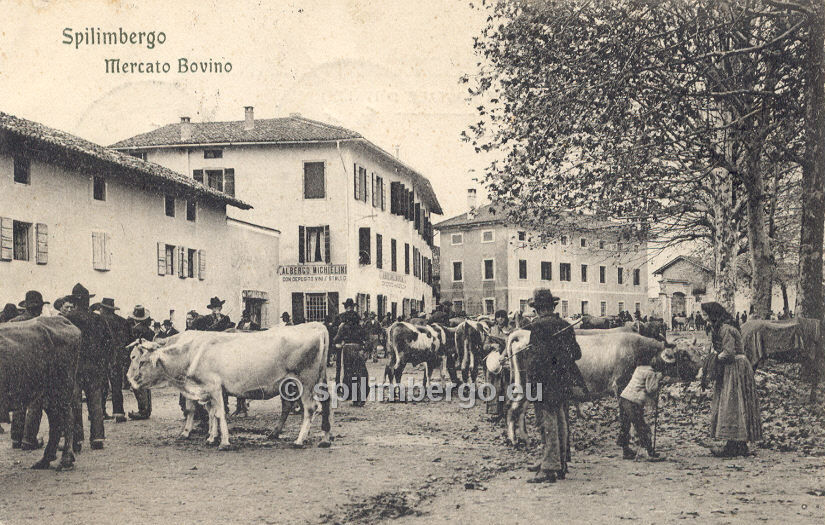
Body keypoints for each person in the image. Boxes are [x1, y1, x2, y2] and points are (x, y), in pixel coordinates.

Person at [521, 288, 584, 484]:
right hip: (563, 380)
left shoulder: (537, 327)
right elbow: (576, 354)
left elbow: (535, 360)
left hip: (544, 382)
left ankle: (549, 467)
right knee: (561, 419)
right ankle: (561, 462)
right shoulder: (564, 325)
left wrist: (531, 384)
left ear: (538, 309)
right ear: (553, 306)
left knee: (546, 422)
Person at [701, 301, 762, 458]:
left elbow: (728, 353)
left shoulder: (726, 329)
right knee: (734, 404)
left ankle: (735, 444)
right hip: (733, 367)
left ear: (713, 315)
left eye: (706, 314)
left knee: (732, 404)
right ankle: (735, 444)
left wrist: (711, 360)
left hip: (735, 367)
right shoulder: (723, 327)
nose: (704, 317)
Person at [64, 283, 111, 451]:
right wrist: (103, 362)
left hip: (74, 367)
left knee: (74, 403)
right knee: (95, 402)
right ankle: (97, 437)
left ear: (74, 301)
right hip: (95, 367)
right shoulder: (98, 318)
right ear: (87, 301)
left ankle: (76, 439)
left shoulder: (68, 319)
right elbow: (108, 343)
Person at [9, 291, 49, 450]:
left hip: (16, 369)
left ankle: (16, 438)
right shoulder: (42, 323)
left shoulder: (12, 322)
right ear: (39, 308)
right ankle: (29, 439)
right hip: (36, 368)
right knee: (35, 402)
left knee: (19, 403)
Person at [618, 348, 663, 459]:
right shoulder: (650, 372)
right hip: (633, 402)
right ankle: (649, 451)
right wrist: (659, 379)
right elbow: (651, 389)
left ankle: (626, 450)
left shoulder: (639, 368)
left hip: (624, 398)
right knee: (641, 426)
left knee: (625, 425)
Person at [95, 298, 131, 423]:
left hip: (102, 357)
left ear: (103, 309)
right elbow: (128, 340)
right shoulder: (122, 322)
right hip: (117, 358)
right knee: (116, 386)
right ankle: (119, 412)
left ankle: (101, 411)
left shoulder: (99, 321)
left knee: (102, 385)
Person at [333, 298, 368, 406]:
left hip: (347, 349)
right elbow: (365, 337)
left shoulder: (343, 326)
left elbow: (336, 339)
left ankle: (352, 396)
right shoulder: (359, 325)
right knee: (360, 373)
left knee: (349, 373)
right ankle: (361, 398)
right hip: (358, 349)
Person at [127, 304, 155, 420]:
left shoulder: (135, 330)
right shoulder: (149, 331)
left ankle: (142, 410)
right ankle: (147, 409)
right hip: (148, 358)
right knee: (146, 383)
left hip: (138, 358)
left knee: (137, 382)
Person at [485, 310, 513, 420]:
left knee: (506, 386)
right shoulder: (492, 330)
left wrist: (505, 353)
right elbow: (485, 346)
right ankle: (495, 412)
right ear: (495, 319)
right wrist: (492, 345)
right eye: (498, 317)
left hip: (506, 361)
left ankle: (507, 411)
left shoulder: (510, 331)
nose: (500, 319)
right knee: (494, 387)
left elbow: (512, 344)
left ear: (506, 318)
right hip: (494, 362)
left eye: (502, 317)